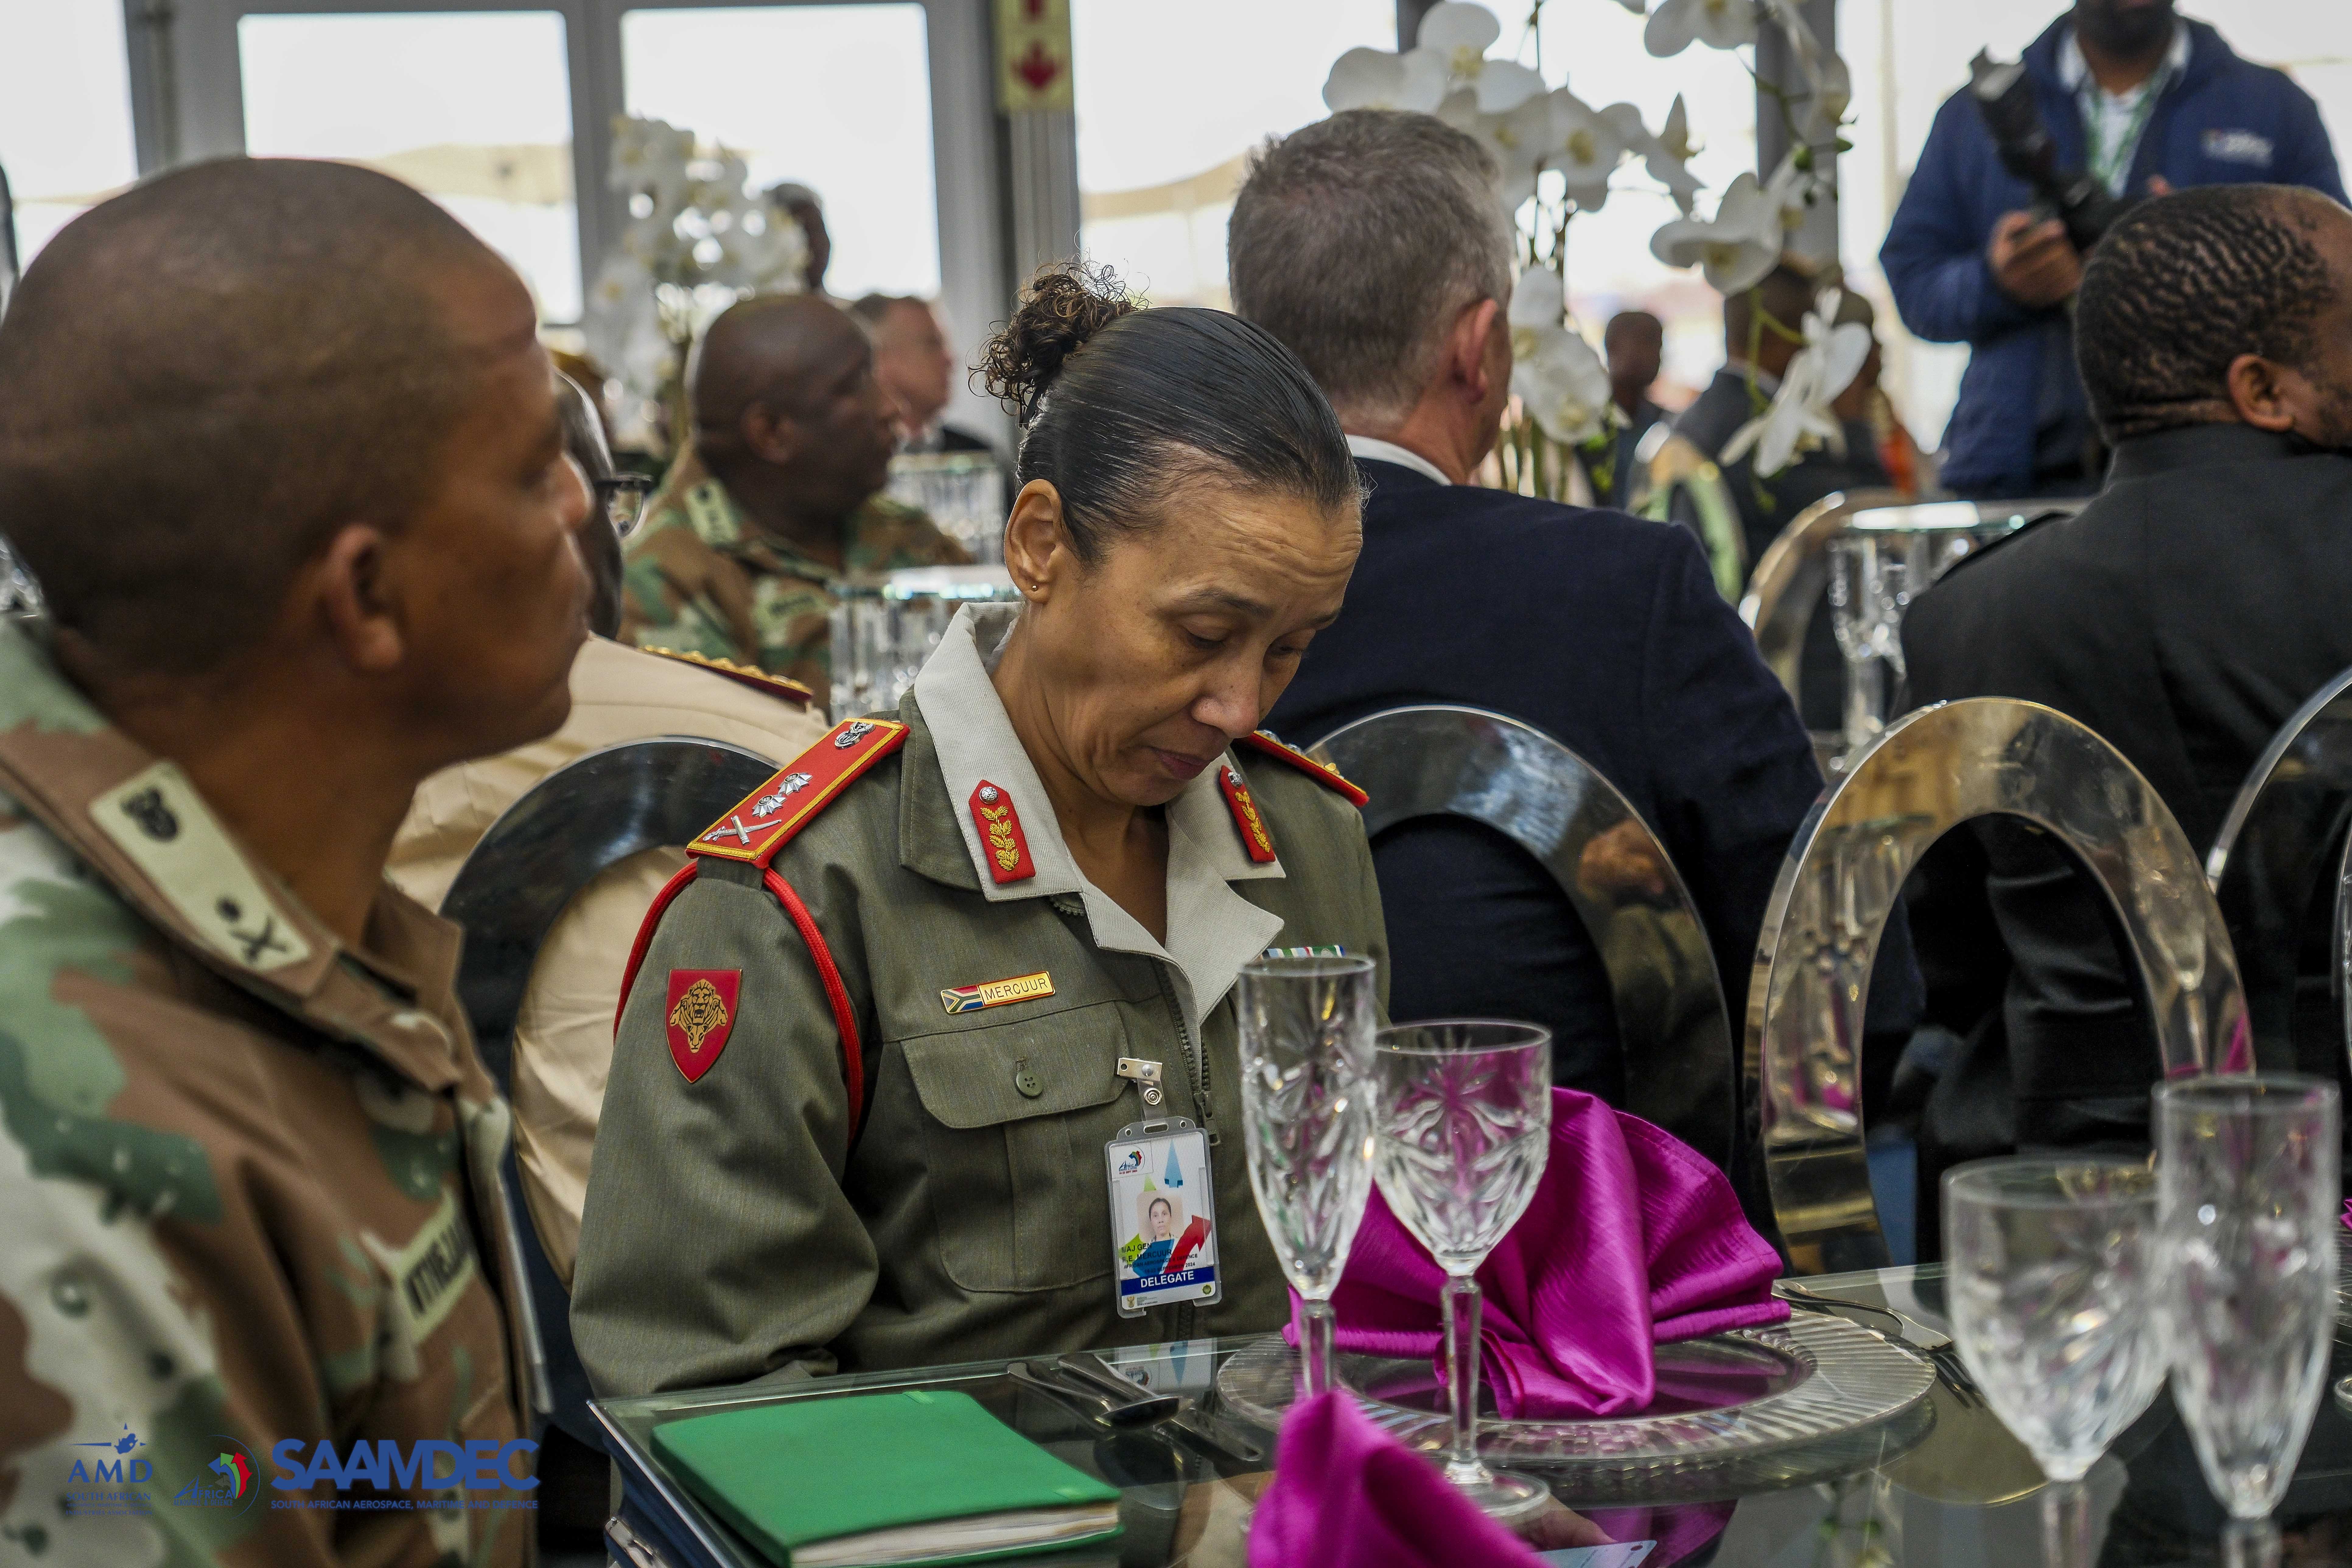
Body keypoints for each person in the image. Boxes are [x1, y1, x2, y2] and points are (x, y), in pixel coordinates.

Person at [572, 264, 1389, 1394]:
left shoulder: (1311, 844)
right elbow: (709, 1390)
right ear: (1040, 545)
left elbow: (1369, 1277)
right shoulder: (805, 901)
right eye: (1203, 633)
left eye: (1291, 647)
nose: (1240, 705)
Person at [0, 158, 592, 1565]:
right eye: (534, 468)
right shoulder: (76, 1152)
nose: (583, 503)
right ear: (365, 596)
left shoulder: (279, 897)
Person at [1227, 110, 1918, 1191]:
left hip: (1249, 1254)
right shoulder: (1625, 592)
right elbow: (1843, 991)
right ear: (1479, 348)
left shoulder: (1169, 613)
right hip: (1600, 1259)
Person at [1900, 184, 2352, 1249]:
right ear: (2261, 389)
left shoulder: (1962, 619)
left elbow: (1947, 975)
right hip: (2329, 1212)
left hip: (2051, 1221)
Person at [389, 372, 826, 1283]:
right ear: (569, 506)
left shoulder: (276, 755)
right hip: (728, 1311)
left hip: (394, 1306)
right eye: (613, 498)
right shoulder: (764, 739)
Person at [1879, 0, 2345, 499]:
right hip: (2016, 475)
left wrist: (2208, 272)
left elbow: (2332, 287)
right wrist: (1997, 283)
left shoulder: (2271, 109)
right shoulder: (1971, 118)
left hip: (2219, 474)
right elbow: (1913, 281)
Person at [618, 294, 970, 696]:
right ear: (772, 433)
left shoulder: (899, 531)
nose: (891, 408)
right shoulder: (665, 578)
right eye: (856, 386)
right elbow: (736, 736)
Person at [1674, 262, 1892, 730]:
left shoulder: (1695, 422)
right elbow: (1875, 512)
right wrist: (1853, 417)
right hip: (1797, 685)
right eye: (1813, 334)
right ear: (1785, 335)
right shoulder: (1774, 436)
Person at [849, 292, 1001, 457]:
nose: (950, 361)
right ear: (878, 359)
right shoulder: (848, 460)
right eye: (932, 345)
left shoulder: (978, 457)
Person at [1584, 309, 1666, 509]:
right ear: (1611, 348)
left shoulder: (1664, 423)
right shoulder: (1582, 424)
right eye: (1646, 341)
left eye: (1659, 345)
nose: (1655, 355)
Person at [766, 180, 832, 296]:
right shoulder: (755, 305)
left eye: (818, 228)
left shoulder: (848, 307)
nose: (818, 242)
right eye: (805, 230)